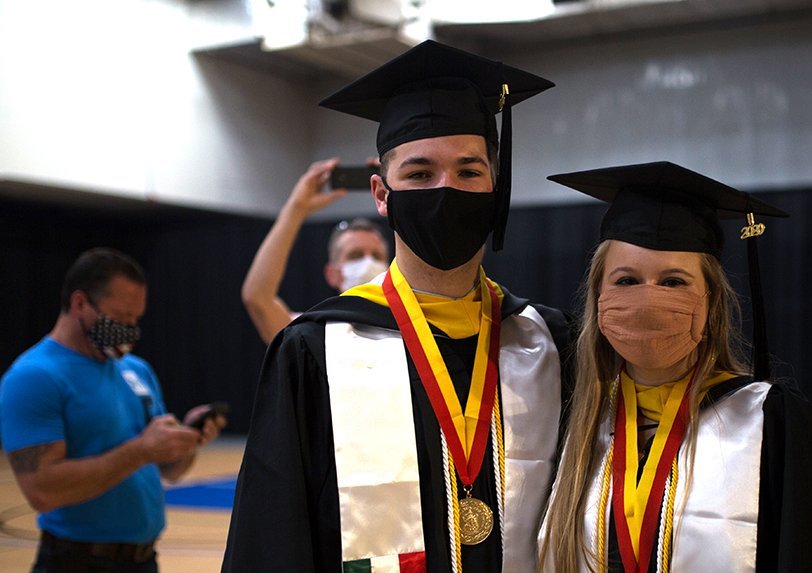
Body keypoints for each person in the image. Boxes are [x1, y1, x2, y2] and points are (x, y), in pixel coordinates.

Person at [222, 40, 570, 572]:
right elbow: (272, 540)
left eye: (469, 172)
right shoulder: (316, 350)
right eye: (420, 173)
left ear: (496, 187)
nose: (446, 189)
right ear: (382, 194)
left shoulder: (545, 342)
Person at [538, 162, 812, 572]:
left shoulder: (769, 424)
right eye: (626, 281)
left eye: (673, 282)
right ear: (597, 297)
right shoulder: (575, 419)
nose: (648, 300)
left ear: (712, 302)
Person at [0, 247, 227, 573]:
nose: (131, 329)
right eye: (121, 318)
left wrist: (187, 439)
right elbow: (42, 491)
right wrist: (139, 450)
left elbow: (169, 470)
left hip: (143, 559)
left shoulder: (135, 369)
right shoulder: (33, 376)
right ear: (80, 303)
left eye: (136, 319)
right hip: (77, 562)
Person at [241, 158, 390, 343]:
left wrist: (398, 183)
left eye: (376, 256)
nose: (368, 262)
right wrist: (297, 208)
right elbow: (258, 299)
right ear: (332, 274)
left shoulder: (412, 324)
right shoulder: (314, 332)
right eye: (355, 255)